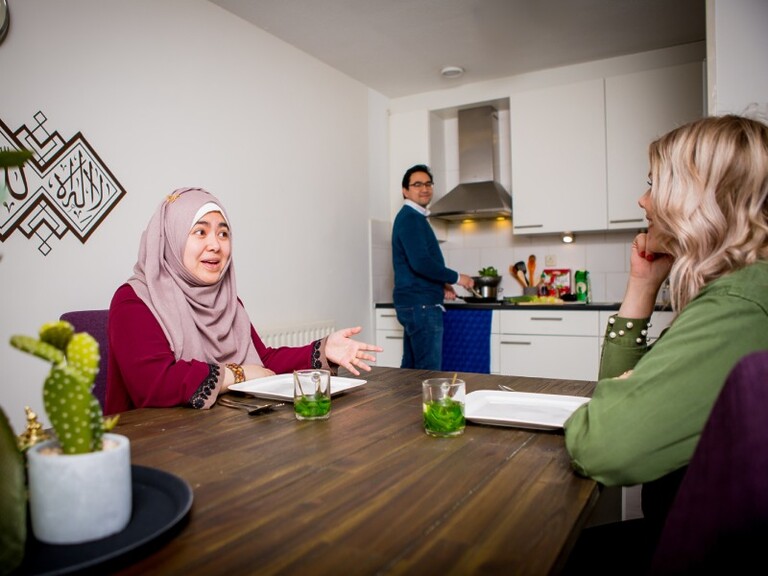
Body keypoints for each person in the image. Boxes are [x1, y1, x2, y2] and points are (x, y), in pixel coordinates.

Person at [562, 114, 768, 574]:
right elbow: (616, 389)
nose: (643, 198)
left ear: (702, 195)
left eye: (655, 183)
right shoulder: (740, 288)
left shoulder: (737, 303)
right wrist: (642, 285)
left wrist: (596, 414)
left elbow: (603, 444)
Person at [105, 187, 382, 414]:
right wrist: (238, 375)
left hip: (216, 435)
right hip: (153, 449)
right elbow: (154, 384)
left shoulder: (227, 300)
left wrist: (323, 350)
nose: (215, 244)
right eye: (200, 232)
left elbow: (261, 360)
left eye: (223, 233)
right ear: (171, 239)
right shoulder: (135, 300)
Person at [391, 164, 475, 370]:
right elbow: (421, 263)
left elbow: (421, 262)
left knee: (411, 370)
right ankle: (423, 404)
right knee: (427, 371)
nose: (424, 188)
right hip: (421, 305)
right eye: (417, 184)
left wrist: (443, 284)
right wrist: (458, 278)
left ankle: (406, 404)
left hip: (416, 303)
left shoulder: (414, 218)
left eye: (428, 183)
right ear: (405, 190)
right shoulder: (411, 219)